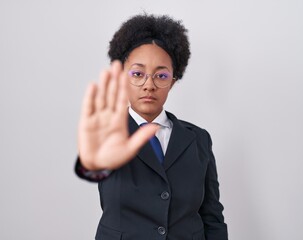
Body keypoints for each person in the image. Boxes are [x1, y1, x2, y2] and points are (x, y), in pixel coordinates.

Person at [75, 14, 228, 240]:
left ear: (173, 81)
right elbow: (92, 166)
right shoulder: (109, 133)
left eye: (161, 75)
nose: (149, 85)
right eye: (137, 74)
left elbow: (211, 215)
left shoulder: (198, 139)